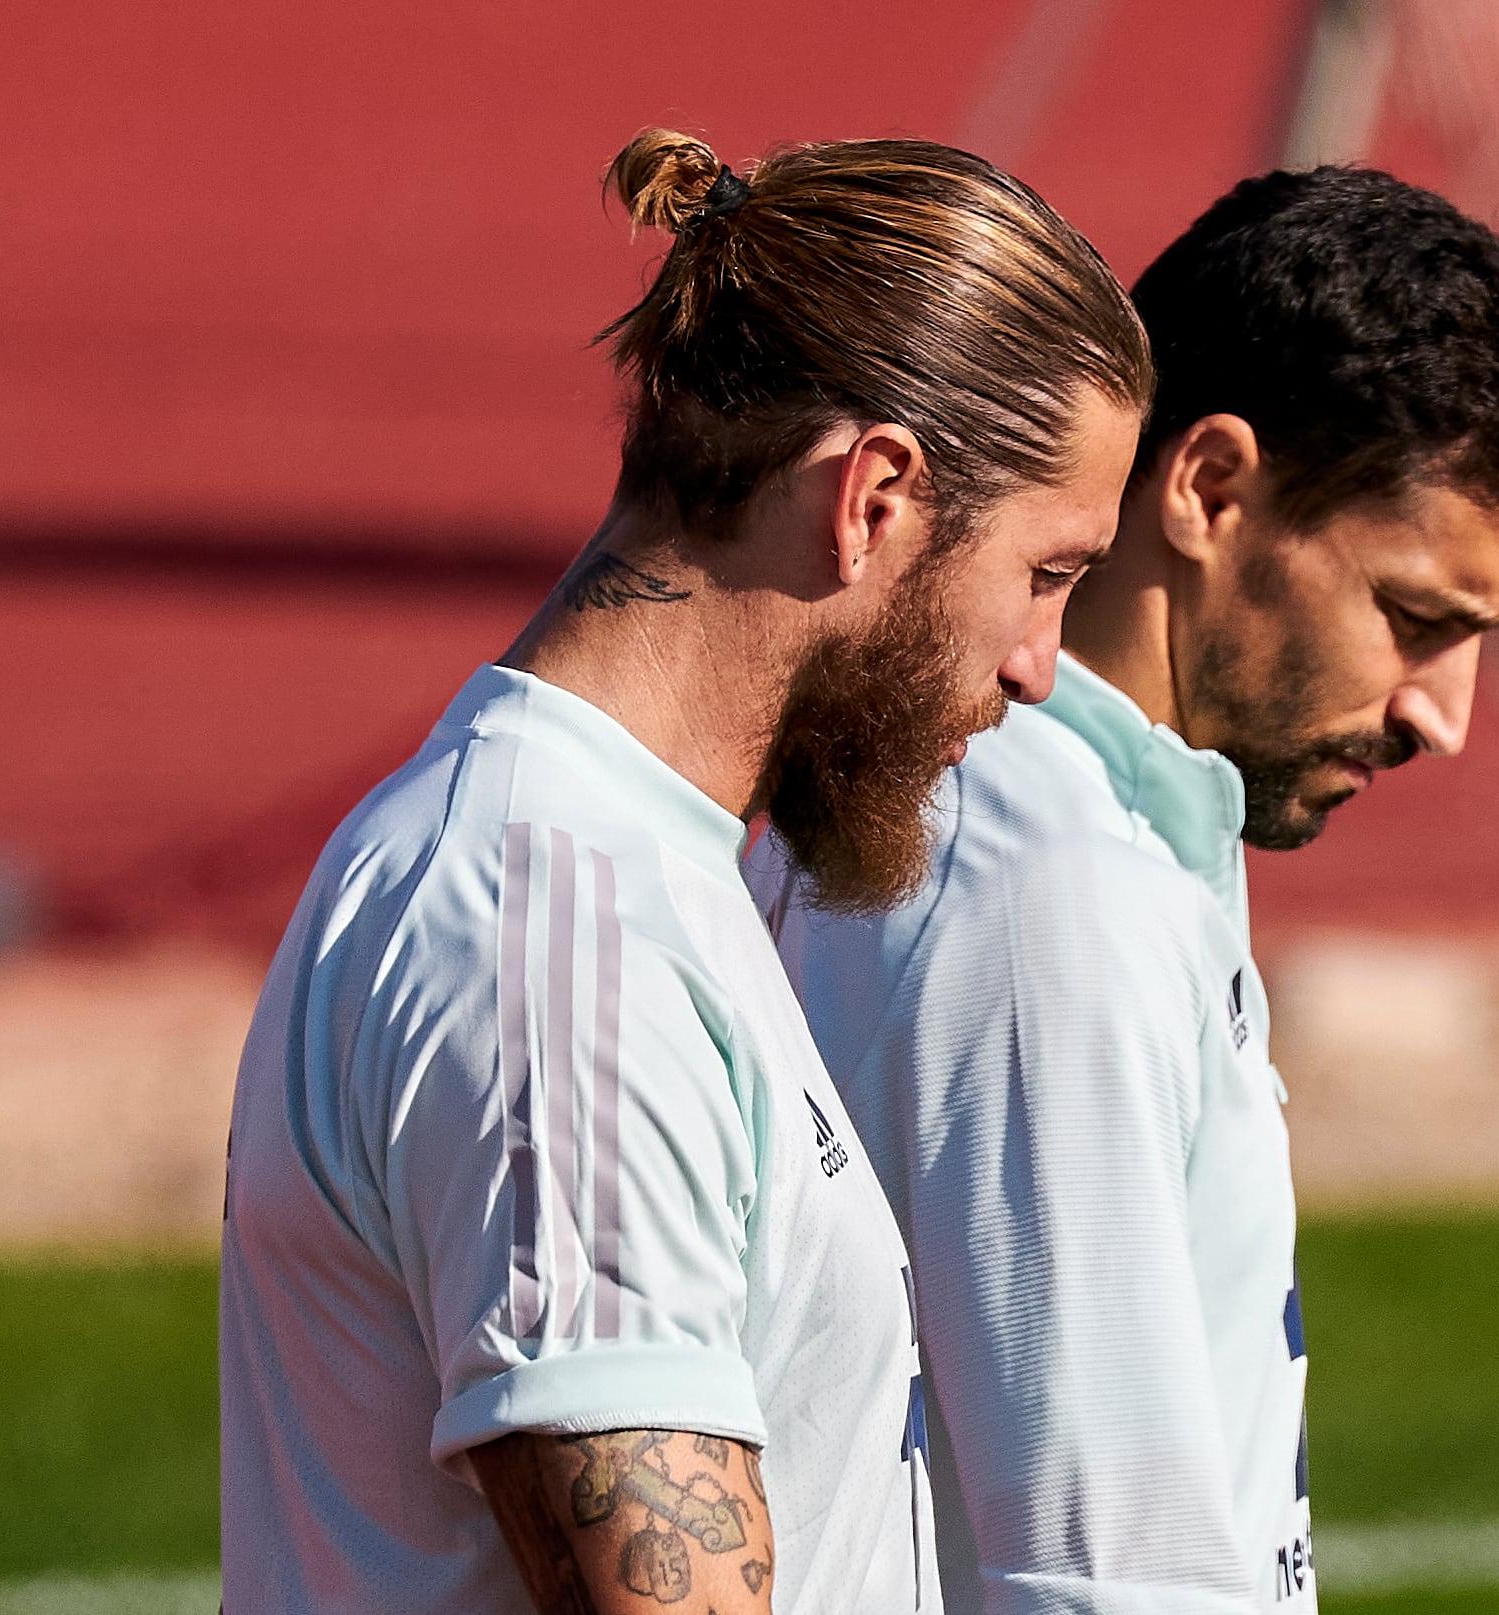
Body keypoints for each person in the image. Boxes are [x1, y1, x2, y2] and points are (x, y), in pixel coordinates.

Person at [219, 127, 1151, 1615]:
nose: (1041, 669)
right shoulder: (559, 946)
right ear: (877, 498)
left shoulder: (625, 878)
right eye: (1046, 575)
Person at [750, 166, 1499, 1614]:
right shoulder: (1041, 896)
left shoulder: (1109, 828)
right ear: (1210, 488)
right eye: (1414, 618)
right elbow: (1103, 1581)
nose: (1443, 713)